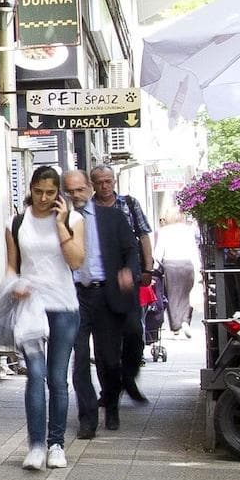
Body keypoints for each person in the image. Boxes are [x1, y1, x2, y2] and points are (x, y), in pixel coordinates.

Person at [5, 166, 87, 470]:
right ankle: (36, 445)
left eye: (50, 192)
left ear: (59, 194)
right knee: (35, 377)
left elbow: (77, 261)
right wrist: (14, 286)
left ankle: (56, 444)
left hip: (64, 307)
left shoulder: (74, 220)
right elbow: (12, 267)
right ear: (30, 188)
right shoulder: (15, 222)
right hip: (31, 308)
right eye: (38, 191)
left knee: (57, 379)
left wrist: (62, 224)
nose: (43, 198)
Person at [63, 170, 142, 439]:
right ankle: (87, 418)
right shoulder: (61, 221)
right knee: (81, 358)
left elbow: (131, 249)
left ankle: (111, 402)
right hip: (74, 296)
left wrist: (128, 271)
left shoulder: (112, 217)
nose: (76, 195)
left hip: (105, 294)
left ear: (89, 188)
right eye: (70, 191)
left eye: (80, 190)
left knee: (109, 358)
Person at [90, 165, 152, 402]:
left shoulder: (129, 203)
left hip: (128, 278)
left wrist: (147, 267)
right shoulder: (89, 209)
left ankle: (129, 377)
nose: (105, 186)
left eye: (108, 181)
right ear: (93, 185)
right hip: (100, 281)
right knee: (104, 340)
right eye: (99, 182)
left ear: (114, 181)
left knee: (134, 331)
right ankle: (108, 391)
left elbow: (143, 234)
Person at [156, 206, 199, 336]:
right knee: (186, 295)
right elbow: (193, 250)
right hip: (187, 265)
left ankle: (176, 326)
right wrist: (198, 267)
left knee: (173, 297)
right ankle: (185, 320)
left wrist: (154, 267)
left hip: (171, 265)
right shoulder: (188, 230)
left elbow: (158, 251)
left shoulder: (164, 231)